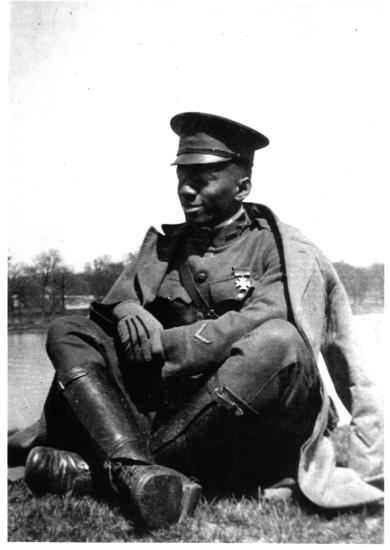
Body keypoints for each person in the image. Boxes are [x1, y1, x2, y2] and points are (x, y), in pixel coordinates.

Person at [8, 112, 384, 529]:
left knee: (277, 340)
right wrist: (130, 310)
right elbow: (111, 306)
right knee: (69, 329)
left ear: (242, 186)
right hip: (177, 416)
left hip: (254, 423)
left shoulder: (284, 249)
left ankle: (102, 473)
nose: (186, 189)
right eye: (182, 176)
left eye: (203, 178)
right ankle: (138, 473)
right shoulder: (166, 246)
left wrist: (370, 453)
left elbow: (281, 326)